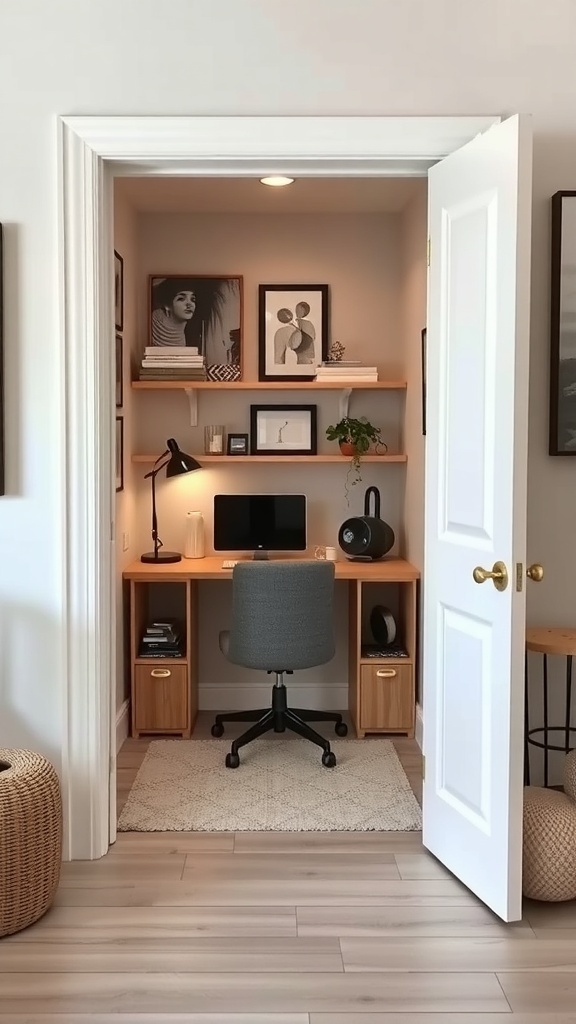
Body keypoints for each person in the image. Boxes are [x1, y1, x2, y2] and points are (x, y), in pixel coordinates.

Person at [151, 278, 197, 347]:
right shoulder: (152, 323)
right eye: (181, 299)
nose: (189, 304)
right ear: (167, 305)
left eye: (192, 299)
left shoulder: (191, 331)